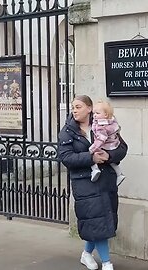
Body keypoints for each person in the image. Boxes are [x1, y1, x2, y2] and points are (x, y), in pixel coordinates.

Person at [57, 95, 128, 270]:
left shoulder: (103, 124)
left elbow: (122, 147)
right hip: (85, 183)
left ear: (89, 108)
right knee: (97, 222)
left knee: (99, 222)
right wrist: (91, 157)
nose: (74, 110)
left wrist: (109, 156)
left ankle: (86, 254)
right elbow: (66, 158)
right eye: (73, 107)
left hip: (106, 181)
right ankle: (106, 262)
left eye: (78, 106)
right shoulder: (66, 132)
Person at [89, 100, 126, 185]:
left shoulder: (100, 125)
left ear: (105, 114)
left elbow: (102, 138)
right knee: (111, 161)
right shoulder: (112, 122)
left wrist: (94, 147)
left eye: (97, 113)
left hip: (105, 145)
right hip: (114, 144)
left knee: (91, 154)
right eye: (94, 113)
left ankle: (95, 169)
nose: (94, 115)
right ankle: (119, 173)